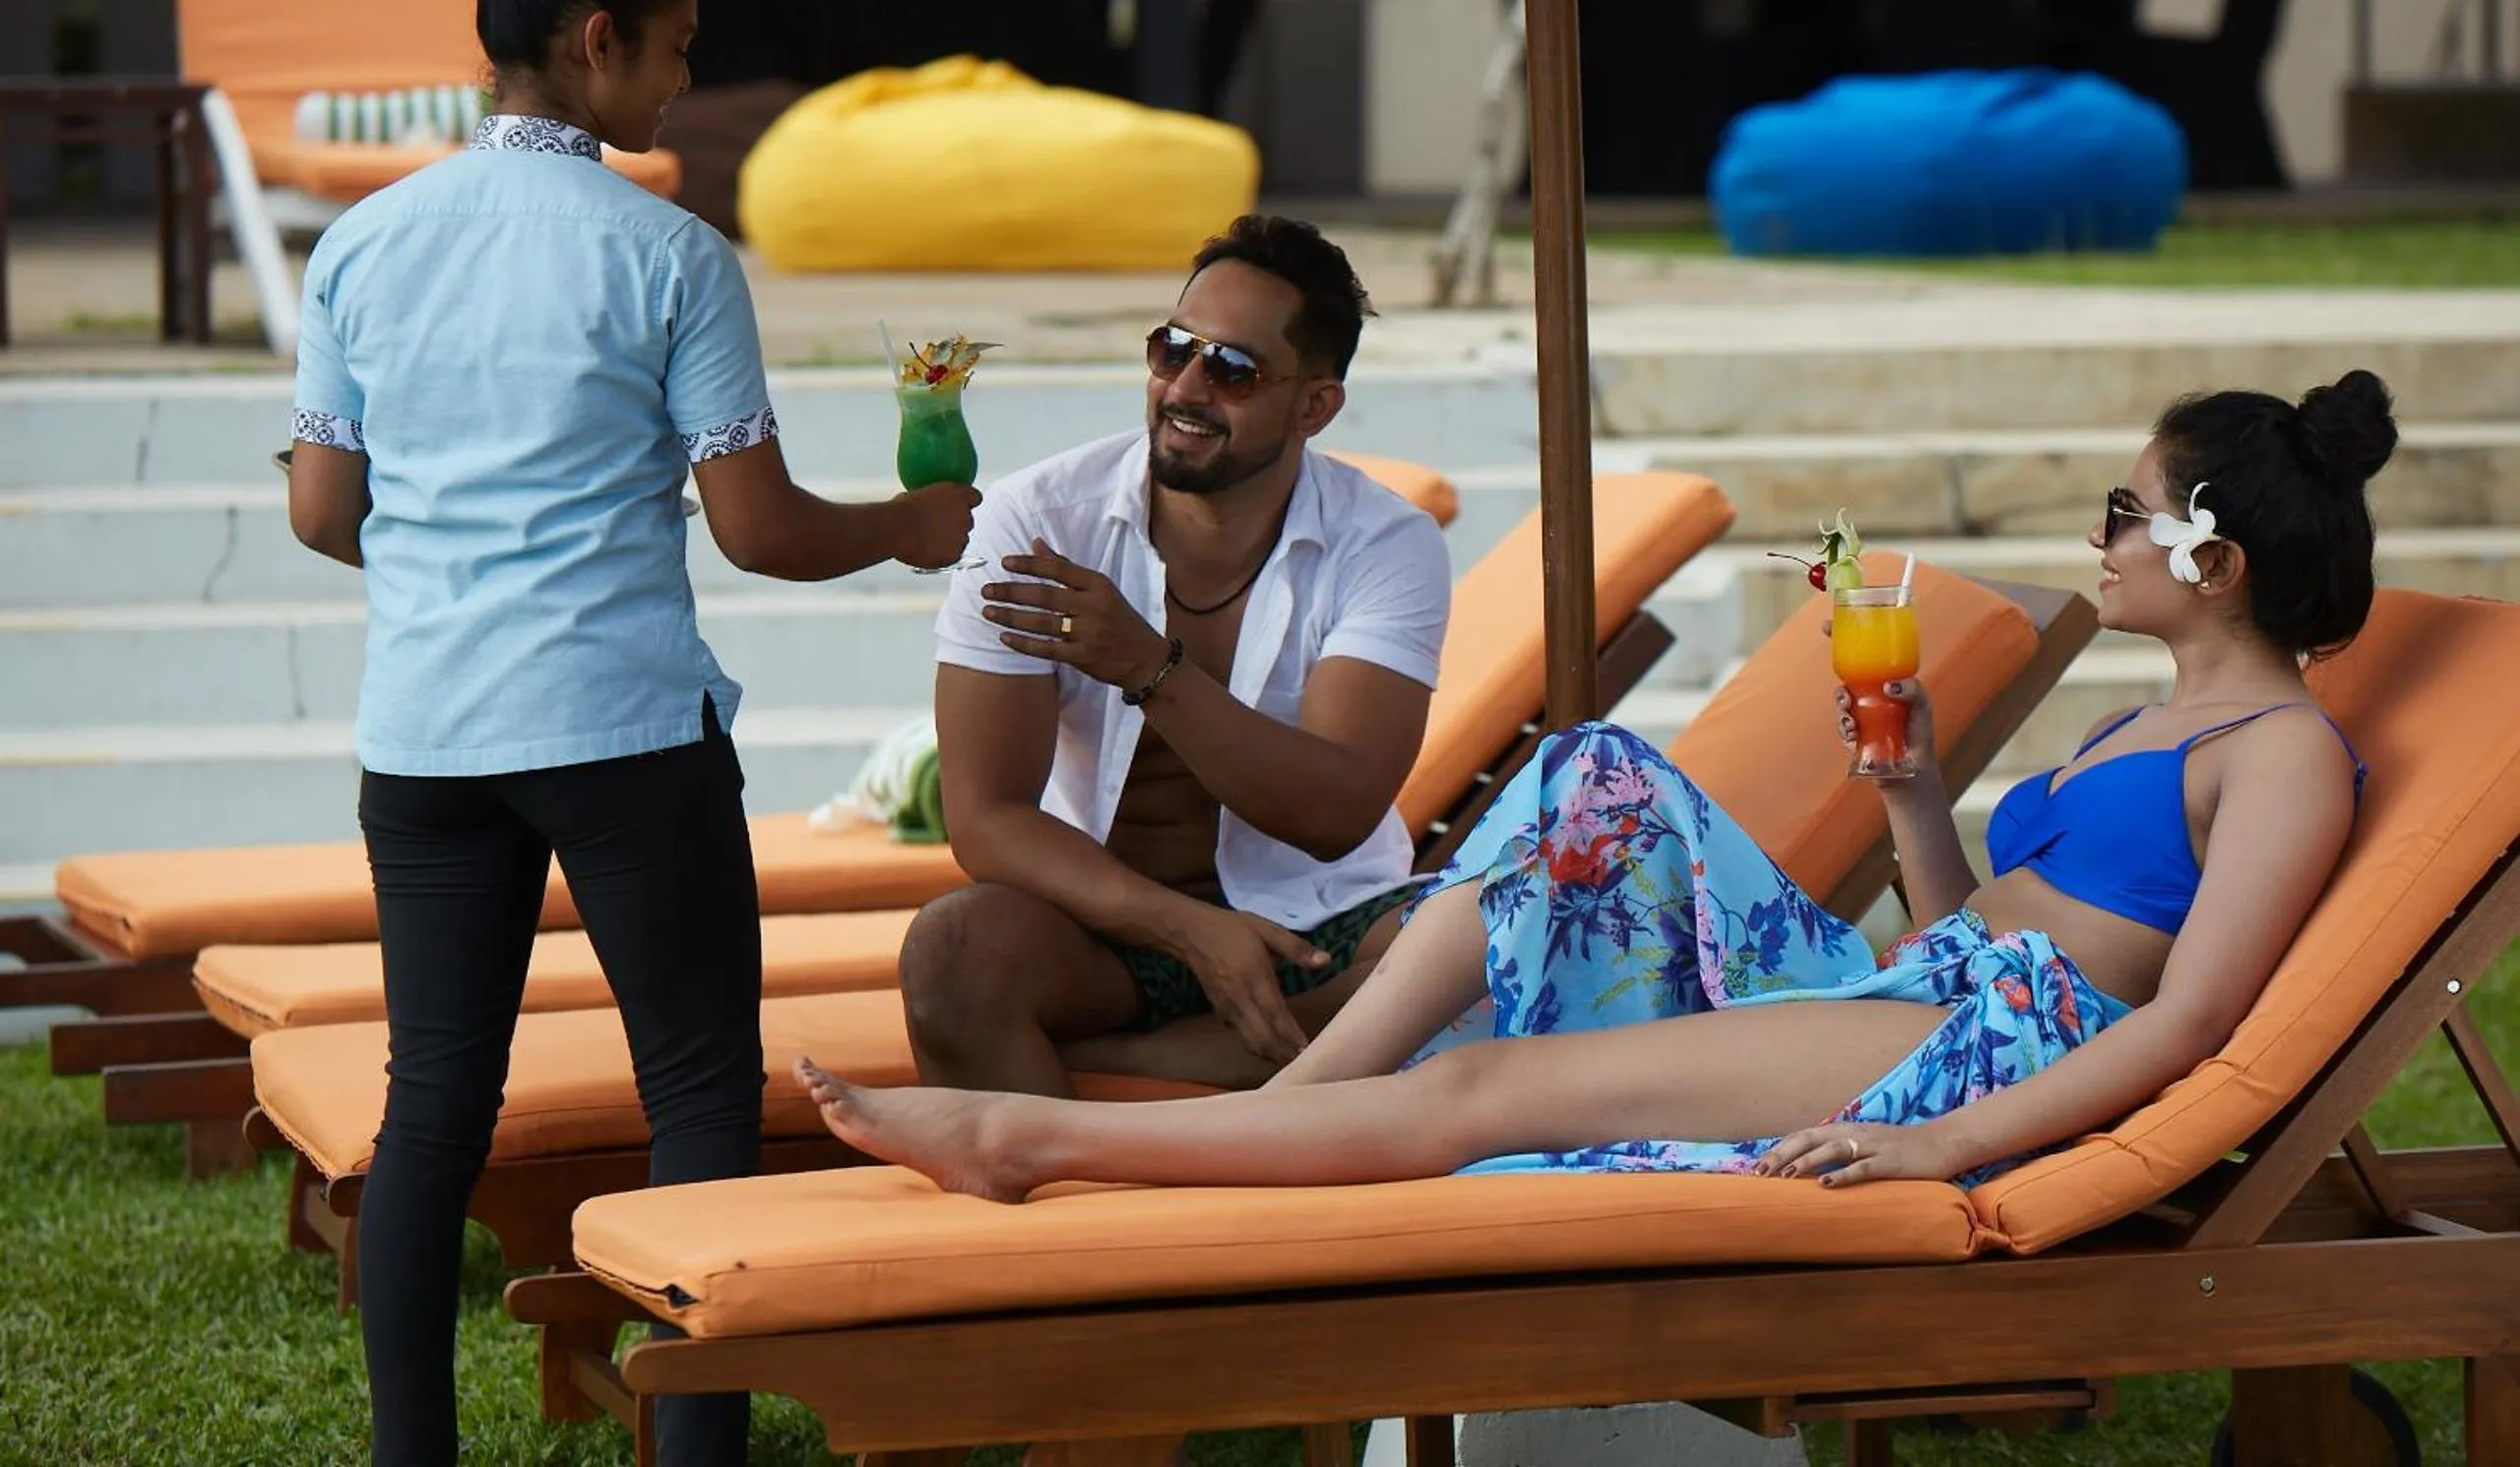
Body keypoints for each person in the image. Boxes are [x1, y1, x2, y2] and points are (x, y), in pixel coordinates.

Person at [802, 372, 2398, 1202]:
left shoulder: (2283, 762)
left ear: (2221, 561)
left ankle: (1048, 1143)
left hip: (1987, 1058)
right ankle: (1277, 1117)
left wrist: (1933, 1146)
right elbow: (1972, 927)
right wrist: (1911, 801)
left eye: (2130, 514)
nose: (2102, 538)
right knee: (1594, 771)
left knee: (1479, 1094)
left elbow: (2188, 1025)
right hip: (1926, 994)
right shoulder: (2136, 732)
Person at [283, 0, 976, 1467]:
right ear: (596, 35)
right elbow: (757, 529)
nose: (686, 76)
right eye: (675, 43)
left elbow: (324, 512)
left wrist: (457, 539)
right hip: (620, 732)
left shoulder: (365, 247)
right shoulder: (666, 254)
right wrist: (906, 524)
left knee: (433, 1108)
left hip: (430, 733)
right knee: (696, 1103)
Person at [898, 216, 1453, 1096]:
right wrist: (1188, 927)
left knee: (1483, 951)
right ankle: (1254, 1083)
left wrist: (1147, 666)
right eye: (1172, 349)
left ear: (1314, 405)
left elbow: (1338, 810)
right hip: (1109, 929)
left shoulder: (1385, 543)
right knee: (953, 950)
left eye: (1232, 369)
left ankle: (1136, 1069)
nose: (1187, 387)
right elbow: (986, 816)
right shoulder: (1036, 519)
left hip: (1323, 924)